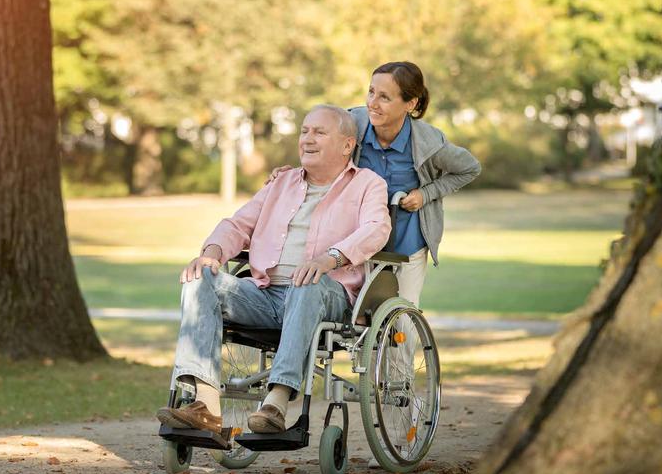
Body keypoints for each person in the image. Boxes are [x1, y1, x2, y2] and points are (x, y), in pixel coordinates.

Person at [156, 104, 390, 436]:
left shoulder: (368, 184)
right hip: (265, 294)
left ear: (347, 145)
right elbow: (238, 225)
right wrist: (212, 254)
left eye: (319, 132)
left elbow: (376, 229)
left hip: (326, 294)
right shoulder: (281, 183)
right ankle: (205, 403)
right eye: (304, 131)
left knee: (308, 282)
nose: (307, 139)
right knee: (199, 280)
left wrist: (329, 259)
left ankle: (276, 402)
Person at [270, 61, 480, 305]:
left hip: (406, 242)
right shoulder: (352, 123)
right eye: (371, 92)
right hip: (355, 236)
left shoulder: (430, 142)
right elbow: (321, 151)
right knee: (353, 317)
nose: (373, 103)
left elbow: (469, 168)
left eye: (384, 97)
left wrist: (427, 193)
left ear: (410, 104)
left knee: (400, 320)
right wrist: (291, 174)